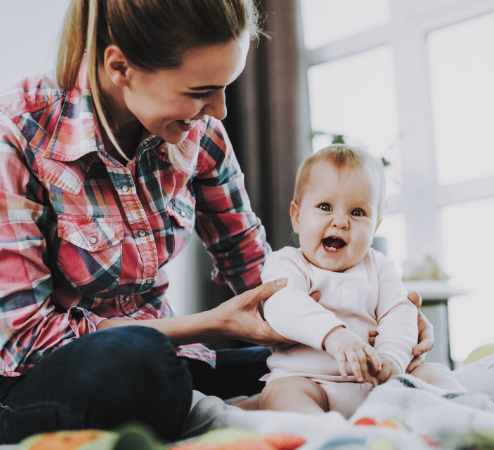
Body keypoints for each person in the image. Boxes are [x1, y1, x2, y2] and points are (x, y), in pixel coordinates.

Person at [0, 0, 436, 443]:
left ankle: (219, 410)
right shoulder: (15, 135)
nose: (220, 110)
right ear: (120, 67)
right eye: (199, 91)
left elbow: (259, 278)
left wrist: (372, 329)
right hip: (34, 375)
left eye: (226, 87)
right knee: (138, 362)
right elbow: (29, 341)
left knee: (305, 370)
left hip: (168, 360)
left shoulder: (201, 133)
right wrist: (211, 323)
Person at [259, 145, 467, 418]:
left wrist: (391, 358)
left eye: (357, 212)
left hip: (378, 384)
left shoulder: (380, 268)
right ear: (297, 216)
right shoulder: (287, 263)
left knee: (435, 373)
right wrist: (334, 335)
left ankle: (469, 414)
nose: (341, 222)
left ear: (376, 227)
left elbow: (399, 313)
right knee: (280, 394)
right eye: (325, 207)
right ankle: (326, 436)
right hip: (310, 381)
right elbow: (283, 304)